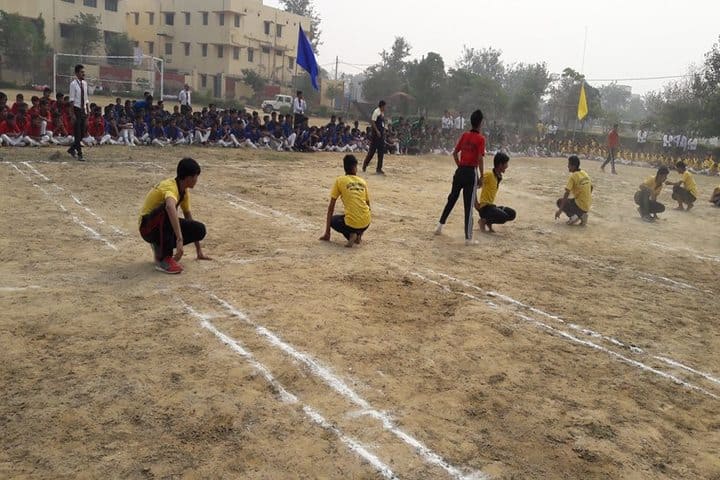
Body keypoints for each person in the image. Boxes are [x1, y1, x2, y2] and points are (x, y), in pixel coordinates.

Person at [138, 158, 211, 274]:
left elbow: (188, 217)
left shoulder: (184, 191)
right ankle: (164, 259)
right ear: (188, 178)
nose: (197, 180)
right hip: (147, 228)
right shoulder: (171, 187)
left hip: (158, 225)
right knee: (169, 212)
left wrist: (199, 251)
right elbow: (169, 207)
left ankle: (159, 247)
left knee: (199, 229)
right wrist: (179, 239)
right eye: (196, 176)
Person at [434, 109, 486, 244]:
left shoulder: (464, 135)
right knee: (468, 206)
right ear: (480, 123)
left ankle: (439, 226)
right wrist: (481, 176)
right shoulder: (481, 139)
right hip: (471, 172)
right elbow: (480, 158)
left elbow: (455, 152)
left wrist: (459, 166)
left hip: (460, 171)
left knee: (451, 199)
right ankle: (468, 238)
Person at [319, 154, 371, 248]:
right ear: (355, 167)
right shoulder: (362, 181)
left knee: (333, 220)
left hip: (352, 223)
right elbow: (368, 205)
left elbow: (331, 207)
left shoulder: (340, 180)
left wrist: (327, 232)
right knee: (358, 215)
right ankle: (359, 235)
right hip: (366, 222)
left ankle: (351, 235)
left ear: (344, 167)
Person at [475, 152, 516, 233]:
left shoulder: (498, 177)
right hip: (484, 208)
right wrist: (476, 203)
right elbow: (474, 185)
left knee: (512, 214)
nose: (507, 166)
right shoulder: (489, 175)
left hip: (491, 207)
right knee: (503, 217)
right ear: (500, 165)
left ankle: (488, 222)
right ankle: (483, 221)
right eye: (506, 163)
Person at [556, 155, 592, 226]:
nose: (568, 166)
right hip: (587, 205)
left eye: (569, 164)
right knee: (574, 200)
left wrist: (560, 210)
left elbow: (566, 193)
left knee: (560, 201)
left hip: (580, 205)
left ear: (574, 166)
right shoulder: (584, 173)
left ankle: (573, 216)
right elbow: (591, 187)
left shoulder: (573, 176)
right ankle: (583, 215)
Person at [68, 64, 89, 161]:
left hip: (83, 109)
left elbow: (86, 98)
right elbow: (71, 100)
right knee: (77, 133)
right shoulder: (73, 84)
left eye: (84, 72)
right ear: (76, 73)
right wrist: (72, 114)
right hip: (76, 109)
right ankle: (80, 154)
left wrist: (87, 109)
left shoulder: (85, 83)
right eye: (81, 72)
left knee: (82, 133)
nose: (83, 74)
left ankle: (72, 149)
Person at [361, 100, 386, 175]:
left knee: (381, 152)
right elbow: (373, 122)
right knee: (372, 151)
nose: (385, 108)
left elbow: (382, 123)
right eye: (384, 106)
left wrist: (383, 131)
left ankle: (379, 168)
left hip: (381, 135)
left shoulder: (382, 113)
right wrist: (377, 131)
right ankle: (365, 164)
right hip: (376, 135)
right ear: (382, 106)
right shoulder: (376, 112)